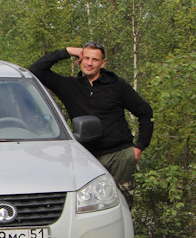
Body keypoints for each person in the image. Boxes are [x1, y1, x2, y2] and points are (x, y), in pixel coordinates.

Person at [30, 42, 153, 207]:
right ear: (79, 60)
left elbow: (145, 113)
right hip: (84, 156)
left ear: (103, 63)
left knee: (122, 206)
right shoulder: (68, 86)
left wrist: (139, 147)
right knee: (87, 207)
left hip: (119, 156)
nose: (89, 63)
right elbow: (36, 70)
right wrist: (67, 51)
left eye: (95, 59)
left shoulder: (117, 85)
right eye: (86, 58)